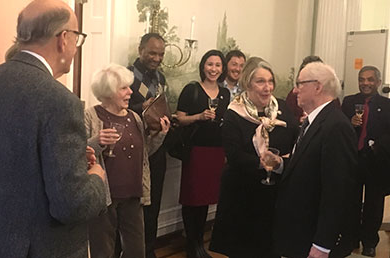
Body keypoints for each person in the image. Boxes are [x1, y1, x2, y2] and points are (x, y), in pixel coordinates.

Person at [0, 0, 106, 258]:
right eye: (77, 38)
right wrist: (97, 177)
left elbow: (12, 160)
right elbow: (71, 205)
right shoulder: (61, 101)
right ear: (63, 38)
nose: (76, 47)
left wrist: (75, 154)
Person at [209, 57, 298, 257]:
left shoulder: (282, 108)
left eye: (270, 81)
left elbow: (296, 141)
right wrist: (261, 163)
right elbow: (233, 155)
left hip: (275, 194)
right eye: (260, 82)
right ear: (247, 83)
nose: (267, 87)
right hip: (242, 194)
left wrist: (282, 162)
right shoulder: (234, 113)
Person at [274, 62, 359, 258]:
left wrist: (322, 244)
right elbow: (307, 167)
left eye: (300, 83)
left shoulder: (336, 126)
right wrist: (280, 164)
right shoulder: (313, 122)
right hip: (299, 230)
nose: (295, 90)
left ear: (318, 87)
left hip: (313, 235)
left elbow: (337, 190)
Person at [85, 63, 170, 258]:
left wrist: (160, 135)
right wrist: (97, 141)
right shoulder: (90, 116)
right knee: (103, 252)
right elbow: (78, 152)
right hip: (104, 197)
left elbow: (144, 155)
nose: (130, 92)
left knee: (136, 251)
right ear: (108, 91)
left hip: (133, 194)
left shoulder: (135, 117)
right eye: (123, 88)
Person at [176, 49, 230, 258]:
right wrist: (199, 116)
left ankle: (199, 244)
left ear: (222, 68)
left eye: (217, 65)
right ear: (203, 66)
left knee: (206, 198)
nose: (213, 69)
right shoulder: (192, 90)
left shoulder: (225, 94)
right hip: (196, 150)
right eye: (210, 64)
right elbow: (179, 119)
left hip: (216, 151)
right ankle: (192, 245)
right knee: (192, 199)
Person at [341, 65, 390, 257]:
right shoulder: (348, 102)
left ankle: (369, 241)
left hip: (376, 161)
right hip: (353, 159)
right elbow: (339, 126)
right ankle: (350, 238)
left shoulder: (387, 105)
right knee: (350, 201)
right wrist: (349, 122)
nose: (365, 83)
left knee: (374, 203)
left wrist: (376, 146)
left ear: (378, 82)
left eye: (370, 80)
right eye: (362, 79)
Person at [128, 32, 167, 258]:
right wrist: (142, 106)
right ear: (140, 49)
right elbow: (116, 110)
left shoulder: (161, 78)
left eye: (161, 54)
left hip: (157, 148)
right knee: (132, 208)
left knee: (154, 204)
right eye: (152, 52)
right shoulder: (125, 75)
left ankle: (148, 251)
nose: (157, 58)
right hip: (132, 150)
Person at [286, 56, 323, 123]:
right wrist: (299, 120)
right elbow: (288, 120)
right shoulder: (294, 96)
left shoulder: (330, 98)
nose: (296, 91)